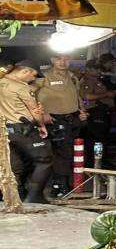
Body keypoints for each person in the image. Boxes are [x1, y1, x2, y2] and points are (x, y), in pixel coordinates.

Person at [36, 55, 87, 197]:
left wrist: (82, 111)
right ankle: (59, 185)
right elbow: (30, 95)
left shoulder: (73, 77)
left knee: (69, 154)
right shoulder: (43, 76)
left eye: (66, 59)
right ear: (52, 60)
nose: (63, 62)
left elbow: (77, 96)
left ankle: (63, 184)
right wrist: (42, 113)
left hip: (72, 119)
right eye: (59, 59)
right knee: (56, 155)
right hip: (52, 119)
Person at [0, 62, 52, 204]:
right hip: (22, 129)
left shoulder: (1, 82)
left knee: (14, 166)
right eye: (33, 75)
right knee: (44, 160)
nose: (33, 79)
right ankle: (34, 197)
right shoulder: (21, 87)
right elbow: (34, 111)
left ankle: (13, 198)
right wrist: (41, 124)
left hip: (5, 130)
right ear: (25, 71)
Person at [79, 59, 115, 167]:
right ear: (89, 69)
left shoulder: (97, 80)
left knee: (102, 139)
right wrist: (107, 94)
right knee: (96, 139)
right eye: (96, 69)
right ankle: (96, 162)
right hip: (95, 112)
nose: (99, 71)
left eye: (100, 68)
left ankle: (101, 161)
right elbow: (87, 96)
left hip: (102, 112)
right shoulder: (87, 81)